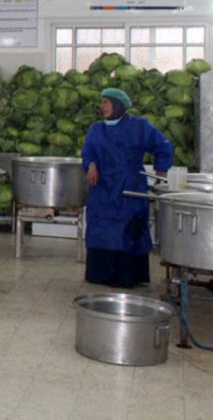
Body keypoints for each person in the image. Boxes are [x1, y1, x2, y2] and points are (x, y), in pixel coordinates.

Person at [82, 87, 173, 288]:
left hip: (129, 186)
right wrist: (91, 165)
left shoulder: (139, 126)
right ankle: (100, 274)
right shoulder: (96, 129)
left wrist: (162, 169)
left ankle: (128, 276)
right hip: (102, 188)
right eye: (102, 102)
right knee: (101, 228)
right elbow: (88, 151)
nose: (102, 106)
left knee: (127, 228)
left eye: (106, 102)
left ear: (118, 105)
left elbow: (163, 145)